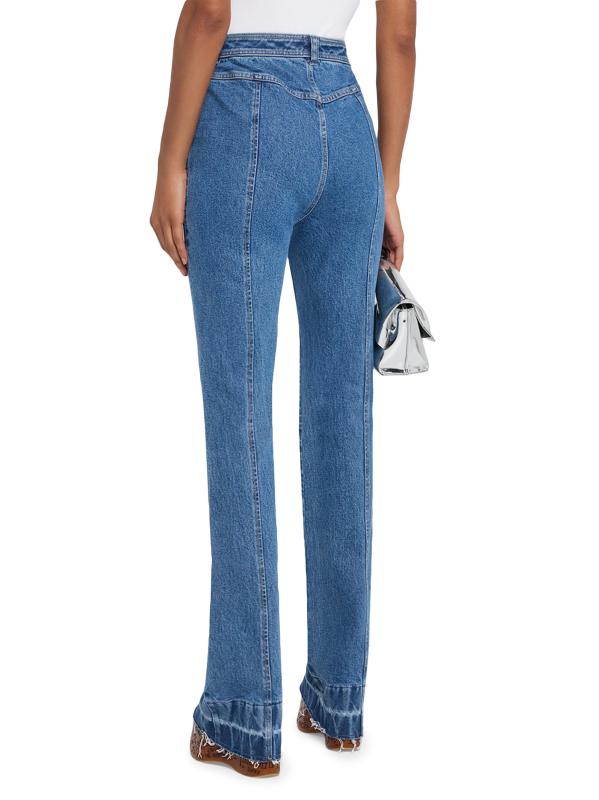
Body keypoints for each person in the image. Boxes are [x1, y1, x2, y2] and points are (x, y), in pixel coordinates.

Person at [150, 0, 417, 778]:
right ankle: (338, 701)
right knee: (342, 424)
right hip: (348, 124)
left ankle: (241, 715)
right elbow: (399, 34)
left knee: (239, 422)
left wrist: (169, 162)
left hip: (241, 116)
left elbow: (209, 13)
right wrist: (387, 182)